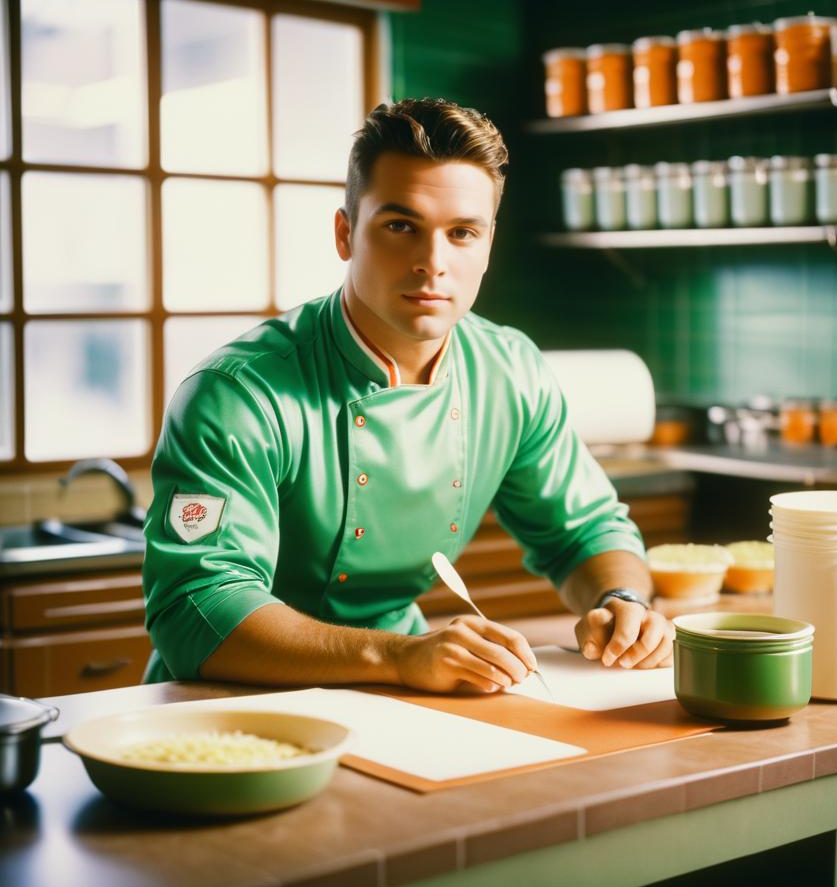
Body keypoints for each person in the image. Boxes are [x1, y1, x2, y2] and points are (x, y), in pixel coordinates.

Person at [142, 97, 674, 693]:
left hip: (404, 689)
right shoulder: (237, 394)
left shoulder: (510, 370)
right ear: (345, 233)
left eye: (462, 233)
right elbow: (198, 612)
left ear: (489, 242)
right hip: (228, 704)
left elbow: (585, 531)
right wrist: (399, 657)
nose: (432, 263)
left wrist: (621, 599)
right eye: (401, 227)